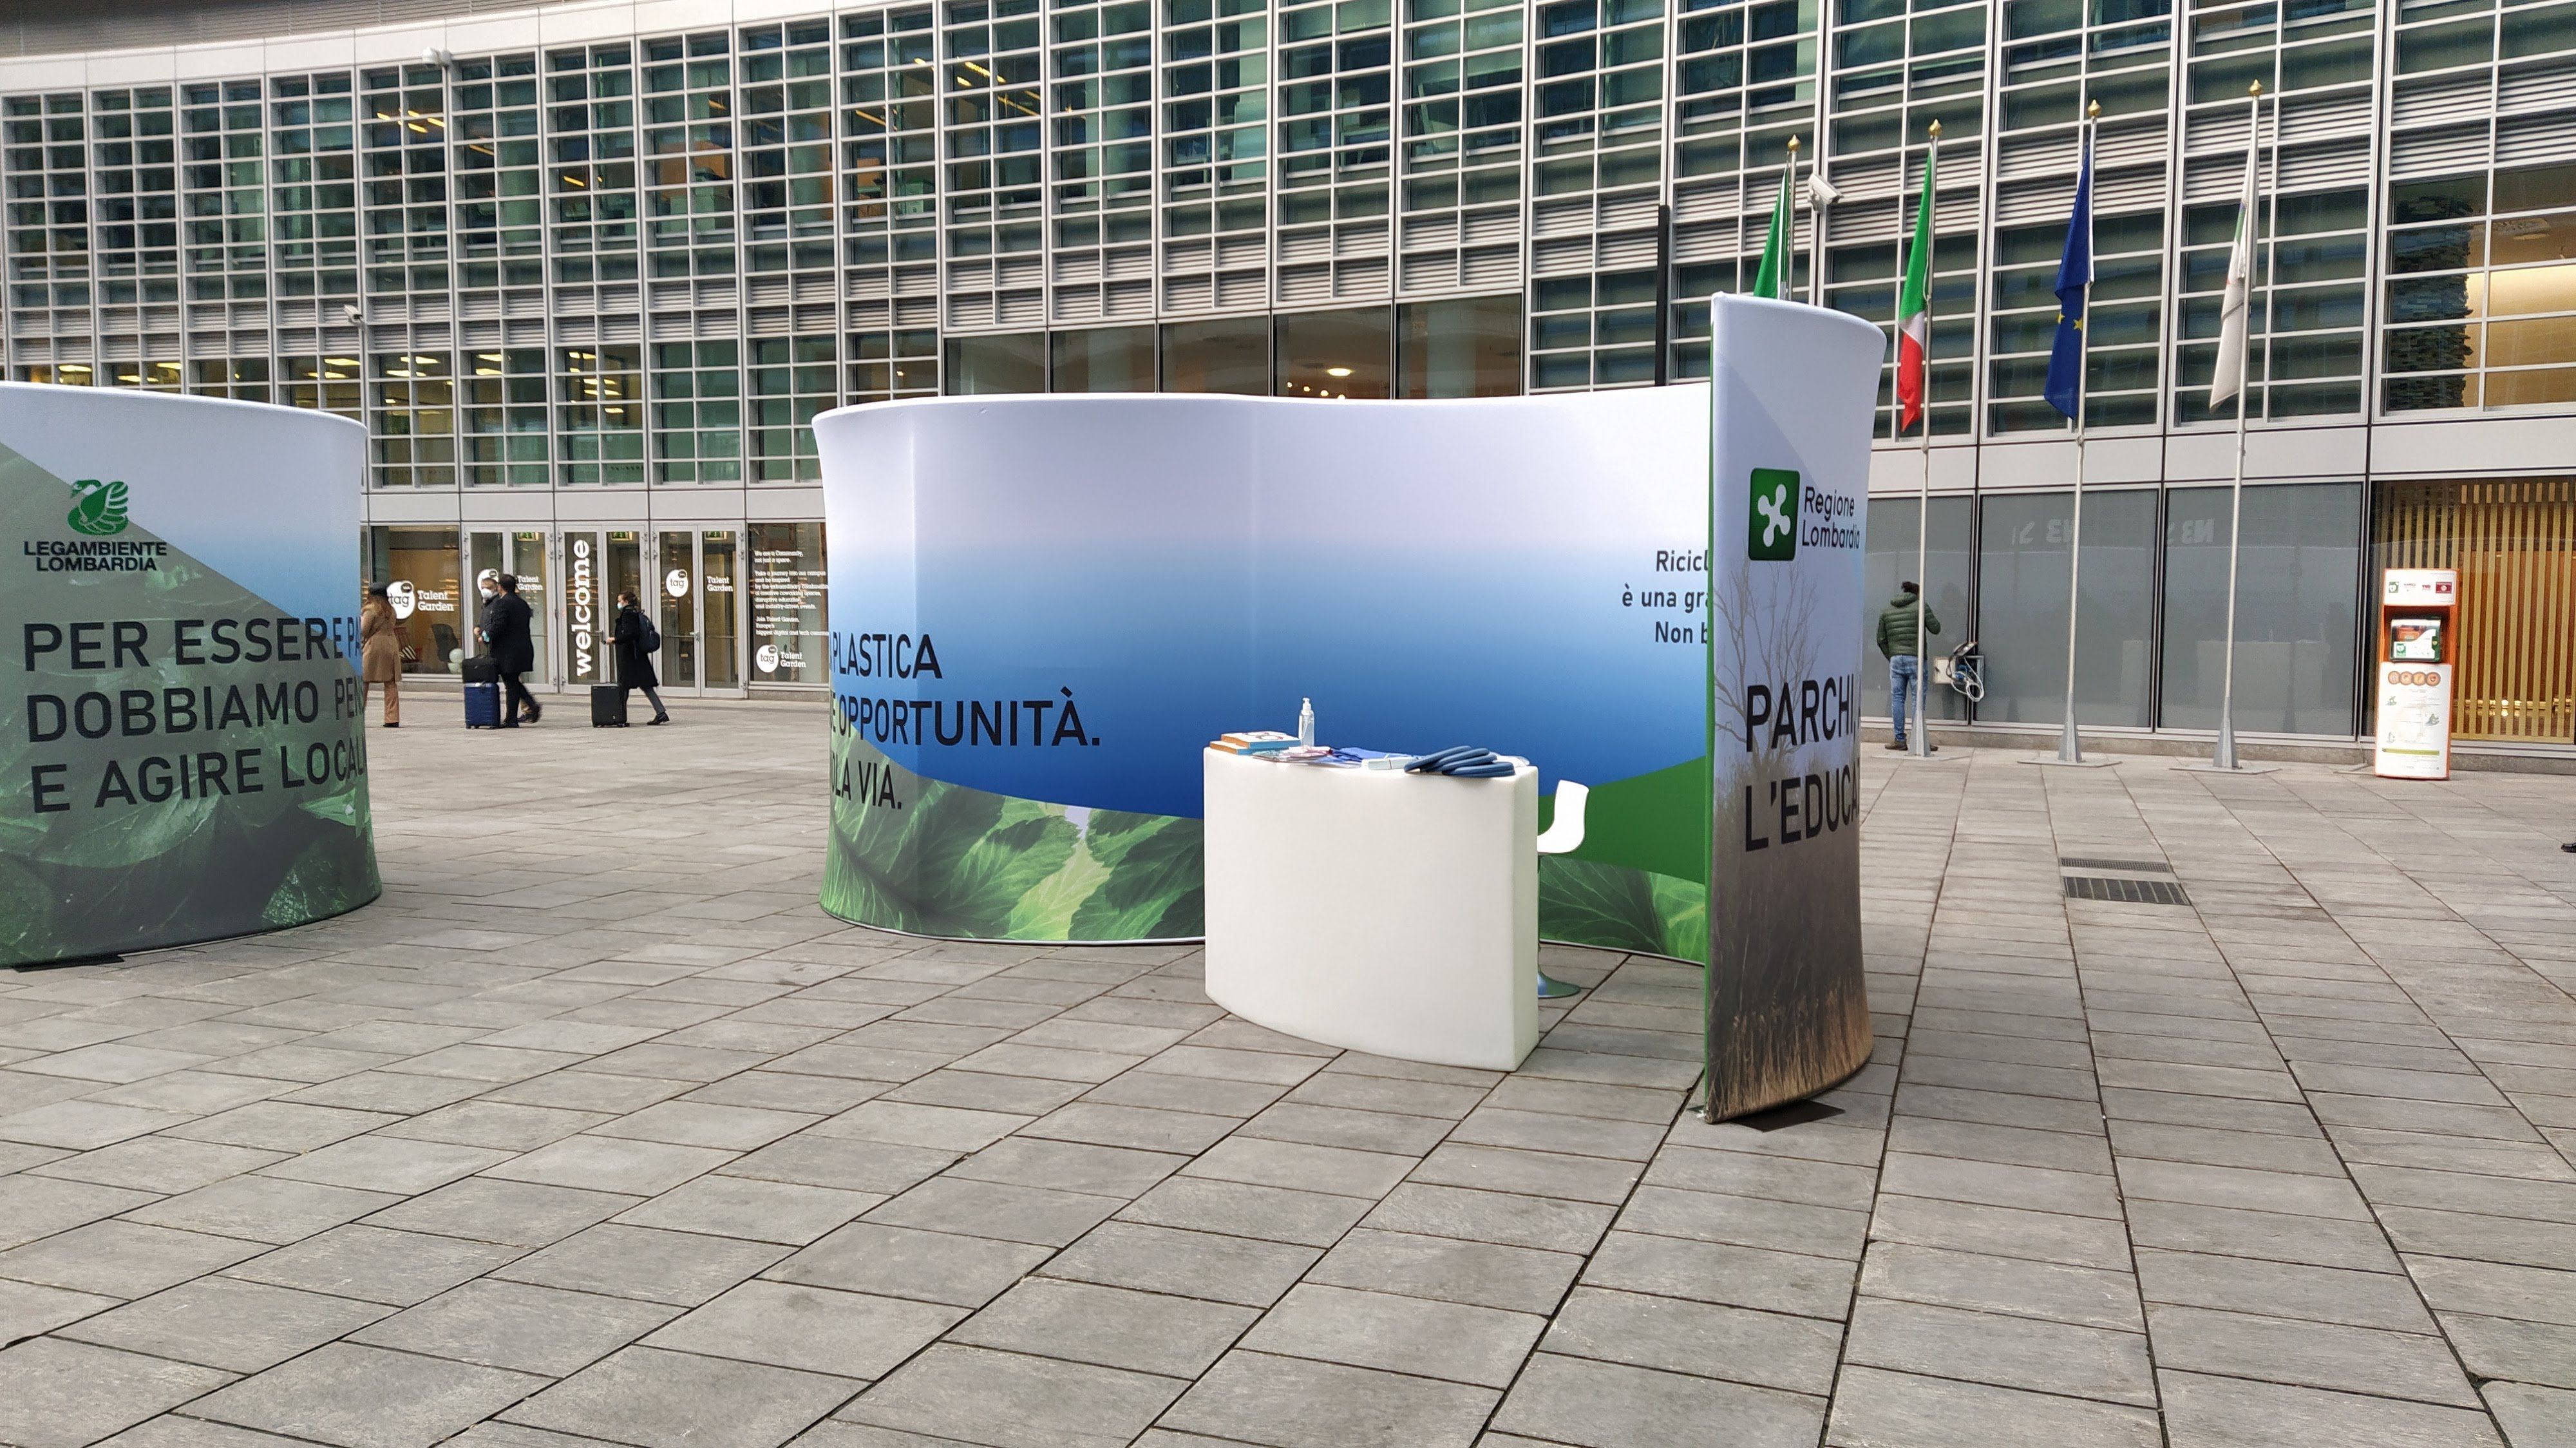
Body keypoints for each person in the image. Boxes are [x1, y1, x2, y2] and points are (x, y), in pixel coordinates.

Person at [1876, 581, 1940, 753]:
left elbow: (1880, 640)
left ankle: (1900, 740)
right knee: (1917, 699)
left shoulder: (1887, 610)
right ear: (1917, 593)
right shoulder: (1921, 606)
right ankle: (1919, 739)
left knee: (1897, 698)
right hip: (1916, 658)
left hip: (1896, 659)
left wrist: (1892, 655)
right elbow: (1936, 628)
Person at [478, 573, 541, 726]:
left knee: (511, 683)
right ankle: (518, 714)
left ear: (500, 587)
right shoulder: (522, 603)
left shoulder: (502, 603)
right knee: (513, 682)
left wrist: (485, 636)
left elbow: (498, 625)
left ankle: (520, 713)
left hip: (507, 652)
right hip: (522, 649)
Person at [612, 590, 670, 725]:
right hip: (638, 656)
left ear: (626, 602)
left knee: (624, 687)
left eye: (620, 601)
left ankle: (619, 716)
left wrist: (615, 639)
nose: (618, 604)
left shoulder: (628, 615)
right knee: (645, 686)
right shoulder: (635, 613)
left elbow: (630, 634)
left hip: (631, 658)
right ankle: (661, 712)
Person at [359, 584, 403, 728]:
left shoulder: (371, 610)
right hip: (390, 644)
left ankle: (358, 714)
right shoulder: (391, 610)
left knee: (364, 680)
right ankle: (392, 718)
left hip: (374, 647)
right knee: (390, 682)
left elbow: (363, 630)